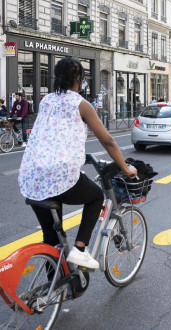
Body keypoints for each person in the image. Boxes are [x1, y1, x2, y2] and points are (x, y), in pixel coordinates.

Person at [18, 58, 137, 269]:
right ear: (79, 79)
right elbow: (108, 141)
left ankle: (51, 296)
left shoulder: (46, 100)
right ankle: (80, 250)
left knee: (52, 241)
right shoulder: (81, 104)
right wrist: (125, 168)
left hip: (32, 176)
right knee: (96, 196)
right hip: (60, 175)